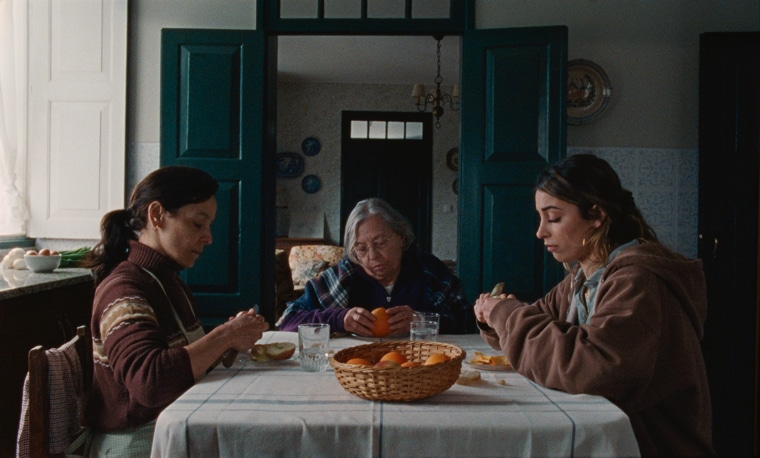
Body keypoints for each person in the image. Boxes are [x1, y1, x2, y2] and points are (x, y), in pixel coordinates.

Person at [473, 154, 715, 457]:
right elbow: (537, 321)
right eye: (540, 218)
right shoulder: (584, 276)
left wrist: (506, 316)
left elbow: (594, 366)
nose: (540, 232)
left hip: (654, 446)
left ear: (596, 215)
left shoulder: (637, 280)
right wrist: (495, 320)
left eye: (554, 218)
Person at [84, 166, 269, 456]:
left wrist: (230, 340)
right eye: (198, 224)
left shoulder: (167, 279)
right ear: (157, 215)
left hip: (170, 426)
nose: (208, 237)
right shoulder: (125, 289)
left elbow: (184, 361)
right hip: (137, 441)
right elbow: (149, 383)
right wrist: (223, 336)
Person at [277, 197, 474, 336]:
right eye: (360, 249)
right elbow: (287, 321)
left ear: (401, 236)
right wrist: (339, 319)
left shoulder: (428, 270)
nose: (372, 257)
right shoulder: (342, 274)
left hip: (418, 367)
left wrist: (424, 322)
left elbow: (467, 322)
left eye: (380, 243)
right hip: (358, 369)